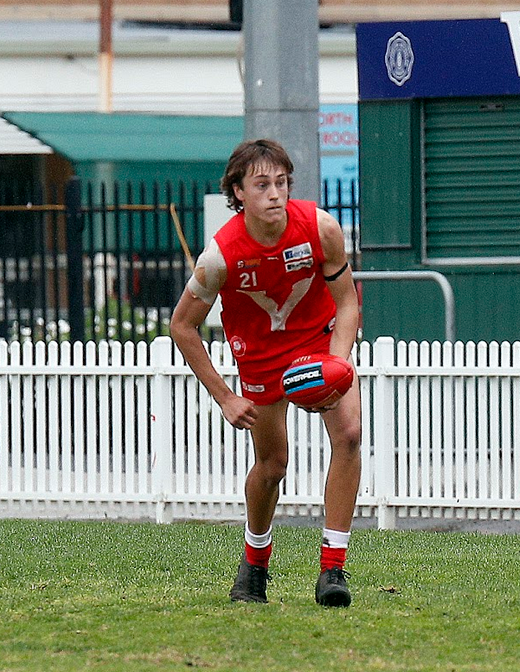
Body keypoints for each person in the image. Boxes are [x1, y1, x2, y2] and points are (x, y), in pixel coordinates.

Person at [169, 139, 362, 607]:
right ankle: (254, 565)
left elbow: (349, 303)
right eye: (261, 185)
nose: (275, 193)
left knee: (350, 435)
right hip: (260, 355)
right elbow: (182, 326)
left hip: (317, 340)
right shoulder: (220, 255)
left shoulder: (320, 227)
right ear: (238, 192)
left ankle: (332, 570)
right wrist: (226, 397)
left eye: (281, 183)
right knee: (274, 465)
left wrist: (336, 364)